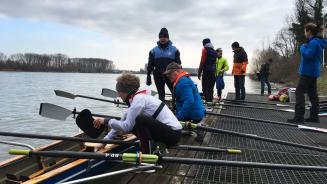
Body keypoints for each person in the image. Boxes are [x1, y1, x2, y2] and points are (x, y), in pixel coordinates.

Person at [93, 73, 182, 153]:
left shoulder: (139, 100)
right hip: (167, 132)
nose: (118, 95)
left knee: (140, 120)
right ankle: (152, 148)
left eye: (119, 92)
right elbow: (124, 120)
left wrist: (106, 121)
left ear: (126, 91)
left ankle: (148, 157)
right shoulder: (138, 97)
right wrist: (105, 142)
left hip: (173, 134)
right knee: (133, 121)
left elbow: (127, 127)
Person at [287, 23, 326, 124]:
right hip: (313, 71)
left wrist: (302, 47)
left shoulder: (313, 43)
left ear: (309, 31)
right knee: (312, 94)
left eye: (305, 31)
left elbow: (308, 55)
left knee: (299, 92)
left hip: (308, 71)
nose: (304, 33)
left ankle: (299, 117)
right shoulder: (317, 42)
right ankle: (314, 116)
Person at [164, 62, 206, 141]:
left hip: (194, 114)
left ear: (176, 71)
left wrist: (178, 117)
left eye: (169, 74)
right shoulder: (182, 80)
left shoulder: (183, 82)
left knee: (173, 128)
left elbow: (189, 101)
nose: (167, 76)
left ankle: (198, 127)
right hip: (193, 111)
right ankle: (189, 127)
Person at [147, 27, 181, 101]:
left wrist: (179, 76)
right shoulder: (153, 51)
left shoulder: (175, 50)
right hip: (158, 75)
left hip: (171, 75)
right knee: (161, 95)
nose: (162, 39)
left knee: (175, 92)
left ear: (168, 38)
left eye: (165, 37)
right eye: (161, 37)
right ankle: (162, 109)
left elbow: (178, 64)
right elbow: (150, 64)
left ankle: (177, 107)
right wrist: (148, 75)